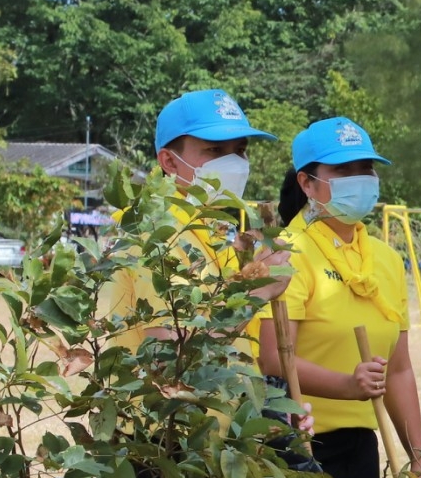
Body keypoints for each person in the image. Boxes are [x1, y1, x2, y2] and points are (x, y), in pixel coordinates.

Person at [256, 117, 421, 478]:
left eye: (365, 169)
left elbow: (398, 369)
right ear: (307, 182)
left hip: (361, 445)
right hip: (295, 444)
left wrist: (419, 460)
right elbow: (272, 359)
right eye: (343, 170)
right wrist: (348, 386)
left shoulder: (386, 259)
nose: (359, 179)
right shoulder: (284, 252)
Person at [104, 89, 286, 351]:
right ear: (169, 161)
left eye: (240, 150)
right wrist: (258, 294)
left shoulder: (215, 231)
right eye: (215, 149)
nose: (233, 162)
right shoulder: (157, 237)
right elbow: (172, 358)